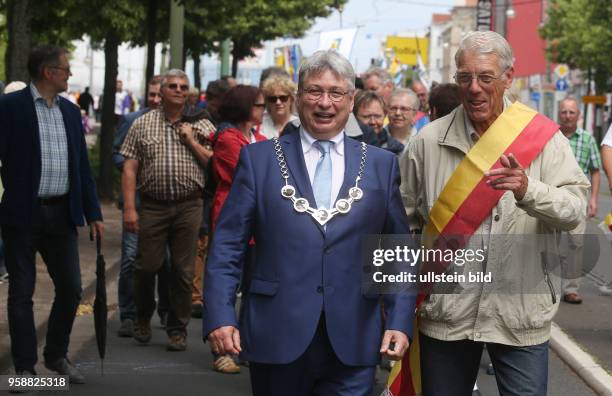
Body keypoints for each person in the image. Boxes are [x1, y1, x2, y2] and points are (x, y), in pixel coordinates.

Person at [203, 50, 415, 395]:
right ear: (299, 97)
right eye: (315, 91)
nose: (325, 103)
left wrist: (400, 320)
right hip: (277, 332)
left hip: (354, 338)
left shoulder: (381, 164)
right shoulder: (259, 161)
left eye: (336, 93)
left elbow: (396, 253)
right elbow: (227, 246)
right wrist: (220, 314)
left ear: (351, 100)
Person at [400, 31, 589, 395]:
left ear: (508, 77)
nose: (474, 88)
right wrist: (395, 304)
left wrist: (527, 190)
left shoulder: (545, 139)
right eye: (465, 77)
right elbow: (403, 225)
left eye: (486, 77)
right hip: (446, 314)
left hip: (521, 313)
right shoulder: (426, 142)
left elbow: (575, 211)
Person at [0, 45, 104, 383]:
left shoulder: (71, 113)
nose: (69, 74)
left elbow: (82, 170)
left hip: (61, 214)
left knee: (72, 287)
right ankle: (25, 367)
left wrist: (94, 213)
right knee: (21, 292)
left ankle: (56, 355)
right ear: (48, 72)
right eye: (65, 68)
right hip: (22, 214)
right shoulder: (9, 108)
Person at [120, 69, 215, 352]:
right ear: (160, 92)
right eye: (172, 86)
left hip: (189, 204)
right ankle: (142, 317)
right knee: (146, 266)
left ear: (188, 92)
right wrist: (129, 209)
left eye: (182, 86)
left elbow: (214, 162)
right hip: (152, 206)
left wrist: (192, 140)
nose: (177, 90)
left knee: (183, 271)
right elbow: (129, 168)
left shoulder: (202, 123)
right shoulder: (142, 123)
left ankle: (177, 328)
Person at [112, 75, 170, 337]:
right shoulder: (132, 120)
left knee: (167, 262)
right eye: (152, 94)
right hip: (137, 201)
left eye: (160, 94)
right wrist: (134, 164)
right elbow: (117, 153)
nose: (156, 99)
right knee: (130, 260)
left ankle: (166, 310)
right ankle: (128, 313)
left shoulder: (176, 123)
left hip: (166, 204)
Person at [557, 97, 601, 304]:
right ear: (559, 114)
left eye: (571, 112)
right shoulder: (551, 136)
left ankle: (571, 289)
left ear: (578, 115)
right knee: (551, 240)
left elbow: (595, 170)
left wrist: (593, 199)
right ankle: (550, 285)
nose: (567, 116)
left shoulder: (588, 139)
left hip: (578, 195)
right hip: (553, 193)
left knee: (575, 243)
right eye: (564, 112)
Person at [353, 90, 403, 155]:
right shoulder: (346, 145)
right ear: (355, 117)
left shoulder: (395, 149)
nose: (373, 122)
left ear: (385, 115)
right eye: (366, 117)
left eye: (377, 116)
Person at [260, 74, 298, 139]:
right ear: (267, 102)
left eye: (283, 98)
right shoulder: (259, 127)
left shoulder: (299, 125)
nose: (278, 102)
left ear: (291, 99)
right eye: (273, 99)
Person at [383, 88, 419, 154]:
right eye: (393, 108)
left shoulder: (420, 141)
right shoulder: (377, 138)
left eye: (404, 109)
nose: (398, 113)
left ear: (415, 113)